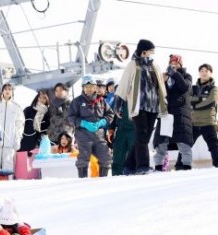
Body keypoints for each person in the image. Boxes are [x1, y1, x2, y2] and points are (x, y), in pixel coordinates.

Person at [115, 39, 168, 175]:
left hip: (153, 106)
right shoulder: (133, 65)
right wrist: (119, 103)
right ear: (144, 52)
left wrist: (164, 101)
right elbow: (124, 84)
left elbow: (160, 85)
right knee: (142, 135)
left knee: (143, 137)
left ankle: (129, 166)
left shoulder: (154, 65)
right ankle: (143, 166)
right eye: (151, 51)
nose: (152, 54)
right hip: (139, 107)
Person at [68, 74, 114, 178]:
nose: (89, 89)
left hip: (99, 136)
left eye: (91, 87)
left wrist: (101, 122)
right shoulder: (77, 101)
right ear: (83, 88)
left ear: (95, 87)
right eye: (86, 87)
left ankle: (103, 181)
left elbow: (110, 114)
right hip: (83, 136)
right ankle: (82, 182)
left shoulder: (101, 101)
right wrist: (83, 123)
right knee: (83, 159)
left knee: (106, 158)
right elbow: (70, 117)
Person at [153, 54, 193, 171]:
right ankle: (158, 168)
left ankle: (187, 167)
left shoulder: (186, 76)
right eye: (171, 63)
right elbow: (156, 92)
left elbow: (185, 87)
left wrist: (175, 74)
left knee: (183, 143)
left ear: (180, 64)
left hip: (181, 114)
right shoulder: (166, 77)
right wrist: (160, 81)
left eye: (175, 63)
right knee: (161, 143)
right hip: (166, 113)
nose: (173, 65)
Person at [176, 63, 218, 168]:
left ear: (210, 73)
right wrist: (201, 99)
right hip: (194, 122)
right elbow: (188, 100)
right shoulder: (193, 88)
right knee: (185, 145)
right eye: (202, 71)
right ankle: (179, 166)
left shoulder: (214, 88)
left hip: (208, 122)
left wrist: (196, 102)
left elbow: (210, 101)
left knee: (214, 146)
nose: (204, 73)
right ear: (199, 73)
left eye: (206, 71)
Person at [0, 83, 25, 171]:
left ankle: (9, 183)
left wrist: (17, 139)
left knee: (8, 164)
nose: (7, 91)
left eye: (10, 89)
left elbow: (19, 125)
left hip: (10, 142)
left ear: (12, 92)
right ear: (2, 91)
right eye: (5, 89)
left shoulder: (16, 107)